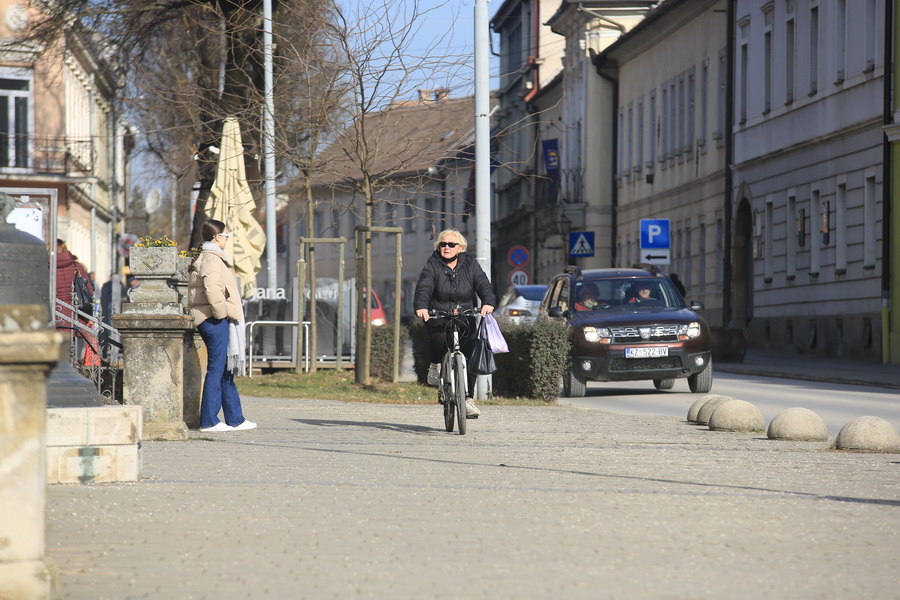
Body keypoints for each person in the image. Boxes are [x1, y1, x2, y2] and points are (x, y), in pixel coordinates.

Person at [414, 228, 497, 419]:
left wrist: (488, 302)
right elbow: (424, 287)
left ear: (460, 248)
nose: (446, 247)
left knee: (471, 352)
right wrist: (422, 306)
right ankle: (435, 365)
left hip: (465, 314)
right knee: (438, 339)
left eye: (451, 244)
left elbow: (483, 284)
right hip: (438, 313)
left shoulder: (470, 264)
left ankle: (468, 399)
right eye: (443, 244)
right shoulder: (432, 264)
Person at [188, 219, 256, 432]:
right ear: (217, 237)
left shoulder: (211, 256)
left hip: (213, 317)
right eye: (225, 236)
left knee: (226, 368)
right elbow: (212, 288)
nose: (227, 239)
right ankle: (209, 421)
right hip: (212, 319)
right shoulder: (212, 258)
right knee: (217, 368)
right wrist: (221, 314)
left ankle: (235, 418)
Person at [54, 239, 94, 328]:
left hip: (54, 315)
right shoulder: (76, 266)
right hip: (76, 315)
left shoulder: (46, 266)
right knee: (73, 339)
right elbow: (89, 291)